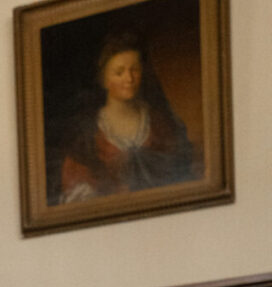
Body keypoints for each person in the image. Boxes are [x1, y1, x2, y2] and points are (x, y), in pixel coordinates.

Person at [58, 31, 197, 204]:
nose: (129, 78)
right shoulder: (88, 132)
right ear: (105, 79)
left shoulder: (160, 122)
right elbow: (75, 188)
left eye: (135, 70)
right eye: (119, 72)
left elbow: (182, 172)